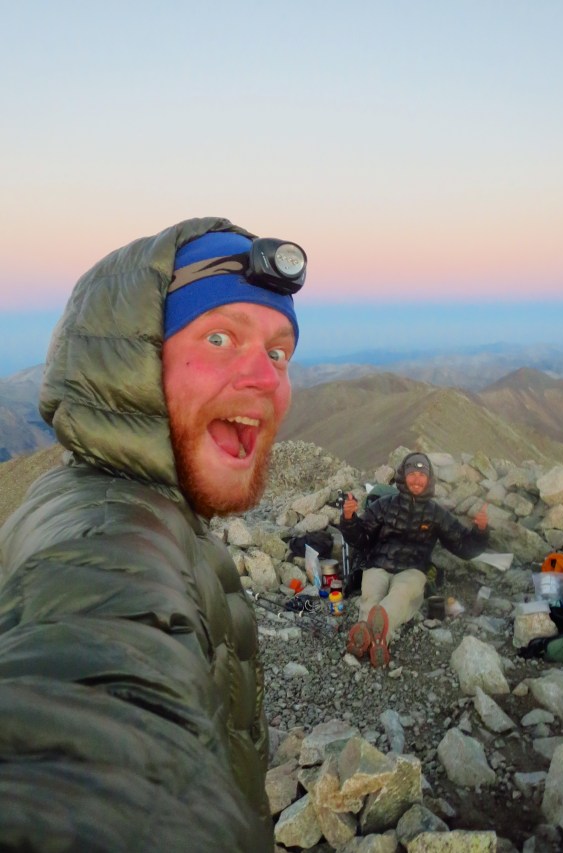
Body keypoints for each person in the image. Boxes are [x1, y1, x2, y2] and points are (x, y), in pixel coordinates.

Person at [0, 218, 306, 850]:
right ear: (133, 363)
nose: (266, 379)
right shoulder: (108, 532)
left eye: (278, 353)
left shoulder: (148, 501)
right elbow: (96, 683)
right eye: (219, 337)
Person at [340, 451, 489, 667]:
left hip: (412, 570)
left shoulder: (436, 513)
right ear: (403, 476)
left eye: (422, 474)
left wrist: (480, 531)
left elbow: (463, 546)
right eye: (412, 474)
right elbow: (360, 539)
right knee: (371, 596)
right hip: (378, 565)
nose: (417, 479)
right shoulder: (383, 505)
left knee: (399, 595)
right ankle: (378, 642)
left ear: (429, 479)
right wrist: (349, 519)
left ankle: (365, 637)